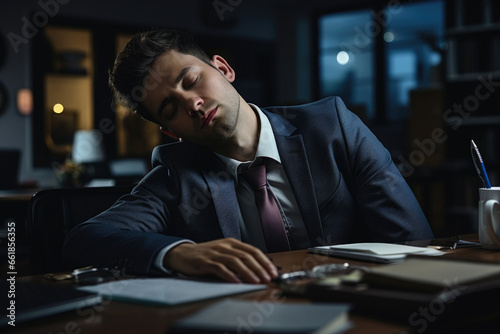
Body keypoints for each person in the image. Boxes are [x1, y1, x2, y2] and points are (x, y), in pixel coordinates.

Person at [63, 29, 433, 284]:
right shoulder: (176, 174)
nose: (192, 103)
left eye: (191, 81)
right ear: (171, 132)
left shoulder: (332, 126)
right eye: (170, 108)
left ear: (223, 68)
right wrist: (177, 253)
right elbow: (85, 238)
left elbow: (412, 239)